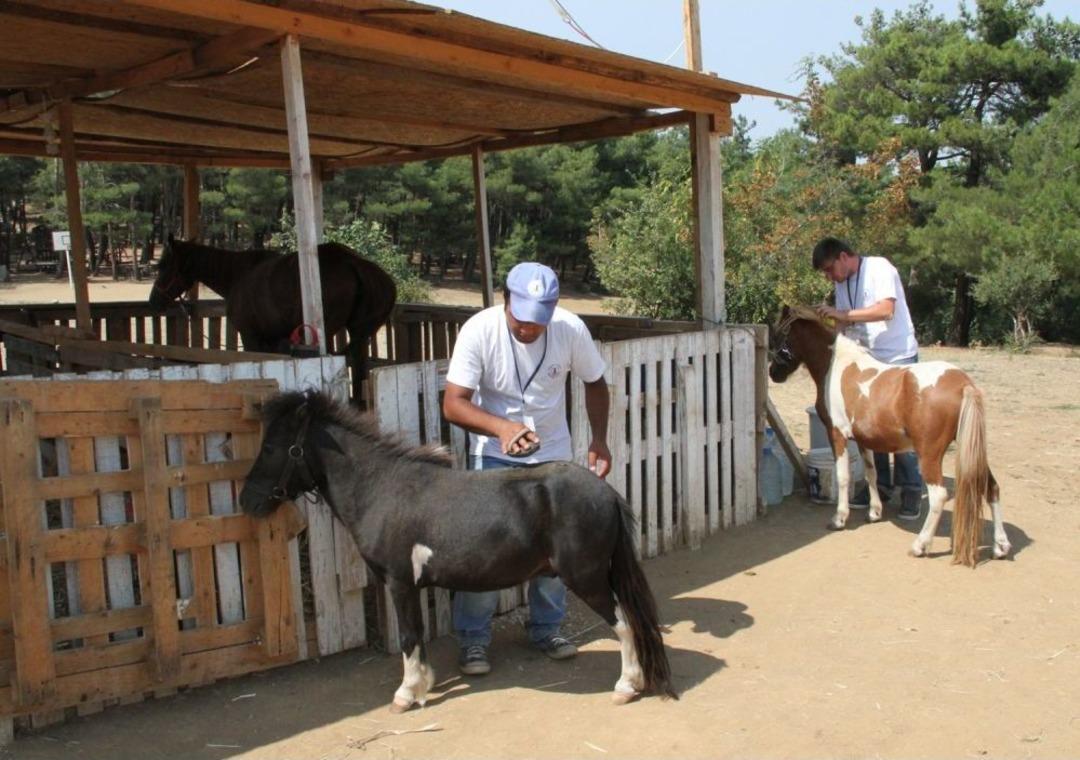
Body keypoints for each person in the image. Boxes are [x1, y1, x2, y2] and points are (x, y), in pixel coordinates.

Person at [442, 261, 612, 676]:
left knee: (554, 551)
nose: (528, 330)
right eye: (521, 320)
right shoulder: (479, 330)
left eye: (538, 322)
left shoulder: (570, 329)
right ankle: (474, 639)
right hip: (494, 453)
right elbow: (454, 403)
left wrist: (599, 439)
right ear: (505, 300)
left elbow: (595, 382)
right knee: (482, 551)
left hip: (552, 452)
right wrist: (501, 427)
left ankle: (547, 629)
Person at [811, 237, 923, 521]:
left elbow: (886, 309)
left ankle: (911, 488)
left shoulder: (879, 268)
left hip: (897, 356)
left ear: (843, 257)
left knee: (903, 425)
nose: (829, 276)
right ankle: (881, 486)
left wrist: (842, 314)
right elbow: (843, 322)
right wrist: (831, 330)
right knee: (872, 424)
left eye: (829, 269)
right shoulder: (841, 283)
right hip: (867, 360)